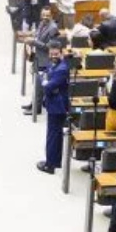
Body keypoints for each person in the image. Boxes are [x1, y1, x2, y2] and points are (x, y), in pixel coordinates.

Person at [36, 41, 70, 174]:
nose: (53, 56)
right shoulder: (53, 64)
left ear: (61, 53)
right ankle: (54, 161)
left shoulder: (62, 69)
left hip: (58, 106)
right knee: (55, 135)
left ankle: (50, 165)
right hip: (53, 103)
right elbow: (45, 75)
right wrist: (46, 82)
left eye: (56, 54)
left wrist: (45, 83)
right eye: (51, 54)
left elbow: (49, 86)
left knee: (53, 136)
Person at [22, 7, 60, 115]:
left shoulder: (53, 28)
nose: (45, 17)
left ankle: (36, 109)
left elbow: (50, 47)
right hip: (38, 58)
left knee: (39, 85)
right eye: (43, 15)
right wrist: (31, 38)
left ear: (51, 16)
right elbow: (38, 36)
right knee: (36, 83)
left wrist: (33, 42)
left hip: (45, 60)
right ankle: (33, 104)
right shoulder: (41, 24)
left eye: (47, 15)